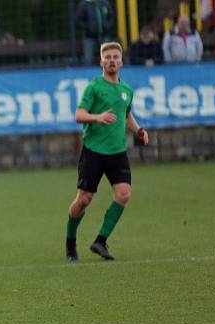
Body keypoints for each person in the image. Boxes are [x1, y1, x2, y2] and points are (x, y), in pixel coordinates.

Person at [65, 42, 149, 262]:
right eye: (108, 57)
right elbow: (78, 115)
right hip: (93, 151)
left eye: (115, 57)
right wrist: (97, 117)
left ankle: (100, 241)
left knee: (124, 195)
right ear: (101, 62)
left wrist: (138, 130)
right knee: (83, 201)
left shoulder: (126, 90)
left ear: (121, 61)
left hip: (117, 152)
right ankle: (70, 242)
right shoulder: (93, 87)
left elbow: (127, 114)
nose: (112, 60)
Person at [76, 0, 115, 65]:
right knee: (88, 60)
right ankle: (88, 74)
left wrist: (107, 26)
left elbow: (111, 17)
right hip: (89, 36)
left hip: (104, 35)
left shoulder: (105, 3)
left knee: (107, 59)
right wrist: (88, 28)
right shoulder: (84, 4)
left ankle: (107, 74)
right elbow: (78, 20)